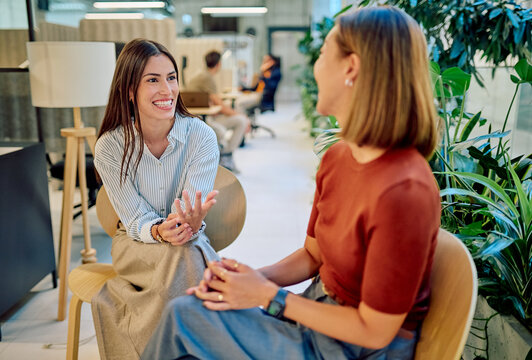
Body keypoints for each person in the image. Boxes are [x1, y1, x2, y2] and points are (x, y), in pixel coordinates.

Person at [142, 6, 441, 360]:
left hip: (358, 348)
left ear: (351, 68)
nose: (314, 66)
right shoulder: (338, 159)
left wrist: (269, 296)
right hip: (316, 314)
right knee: (196, 310)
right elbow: (313, 256)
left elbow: (375, 331)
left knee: (183, 318)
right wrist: (245, 280)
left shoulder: (405, 190)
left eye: (323, 53)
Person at [92, 38, 222, 360]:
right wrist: (160, 231)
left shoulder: (200, 136)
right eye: (153, 80)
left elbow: (191, 209)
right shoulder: (111, 146)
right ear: (128, 90)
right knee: (186, 256)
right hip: (135, 244)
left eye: (171, 77)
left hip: (186, 240)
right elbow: (134, 218)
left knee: (184, 250)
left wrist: (188, 223)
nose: (167, 90)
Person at [186, 50, 249, 173]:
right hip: (202, 119)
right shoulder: (206, 77)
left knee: (236, 118)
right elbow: (220, 104)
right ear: (219, 64)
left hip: (201, 116)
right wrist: (244, 117)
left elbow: (212, 102)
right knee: (240, 121)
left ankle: (226, 156)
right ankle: (226, 157)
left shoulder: (200, 74)